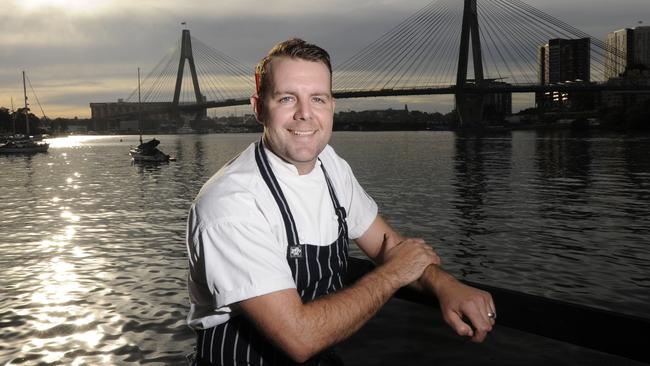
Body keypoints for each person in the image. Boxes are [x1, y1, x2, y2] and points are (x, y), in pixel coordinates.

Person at [186, 38, 496, 366]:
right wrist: (393, 275)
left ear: (332, 106)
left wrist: (446, 285)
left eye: (317, 99)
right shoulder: (231, 204)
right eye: (287, 98)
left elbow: (388, 247)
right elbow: (300, 338)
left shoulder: (332, 167)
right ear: (259, 108)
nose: (305, 114)